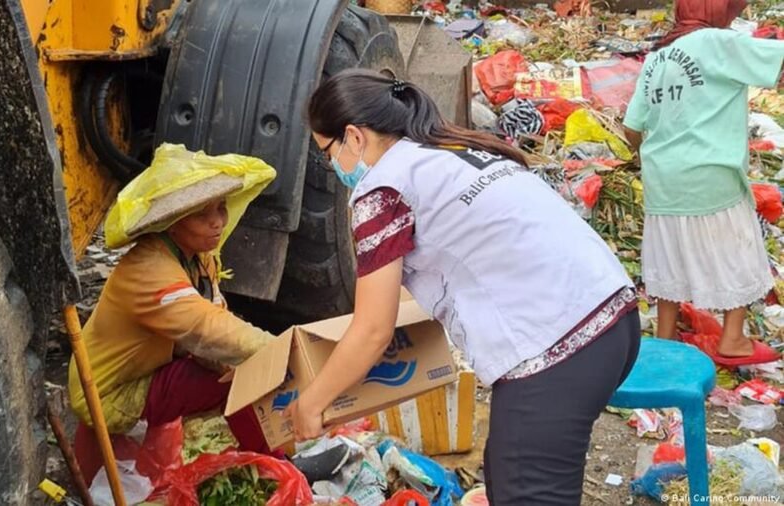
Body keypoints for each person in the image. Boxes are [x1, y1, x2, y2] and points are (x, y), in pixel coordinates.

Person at [284, 69, 641, 505]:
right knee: (506, 474)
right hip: (613, 319)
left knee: (526, 492)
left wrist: (311, 403)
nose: (333, 167)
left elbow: (373, 330)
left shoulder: (381, 189)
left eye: (328, 153)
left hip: (556, 348)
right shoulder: (453, 149)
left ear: (354, 137)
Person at [68, 145, 278, 483]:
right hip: (108, 392)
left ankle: (271, 460)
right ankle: (273, 467)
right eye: (201, 214)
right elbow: (208, 328)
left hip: (147, 367)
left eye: (221, 208)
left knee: (238, 369)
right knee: (236, 382)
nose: (218, 222)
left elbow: (217, 320)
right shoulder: (149, 269)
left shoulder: (197, 258)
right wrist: (282, 351)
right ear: (172, 222)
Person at [623, 0, 784, 366]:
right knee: (736, 249)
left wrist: (651, 157)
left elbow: (632, 126)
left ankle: (665, 337)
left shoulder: (658, 58)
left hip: (662, 178)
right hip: (711, 172)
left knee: (669, 254)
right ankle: (733, 338)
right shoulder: (717, 41)